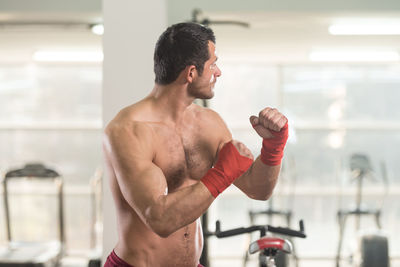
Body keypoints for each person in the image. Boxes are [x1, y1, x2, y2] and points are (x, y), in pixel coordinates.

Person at [103, 22, 289, 267]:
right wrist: (220, 175)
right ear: (191, 73)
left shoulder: (209, 124)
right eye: (213, 64)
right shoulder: (128, 129)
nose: (218, 72)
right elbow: (159, 220)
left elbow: (258, 190)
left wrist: (273, 147)